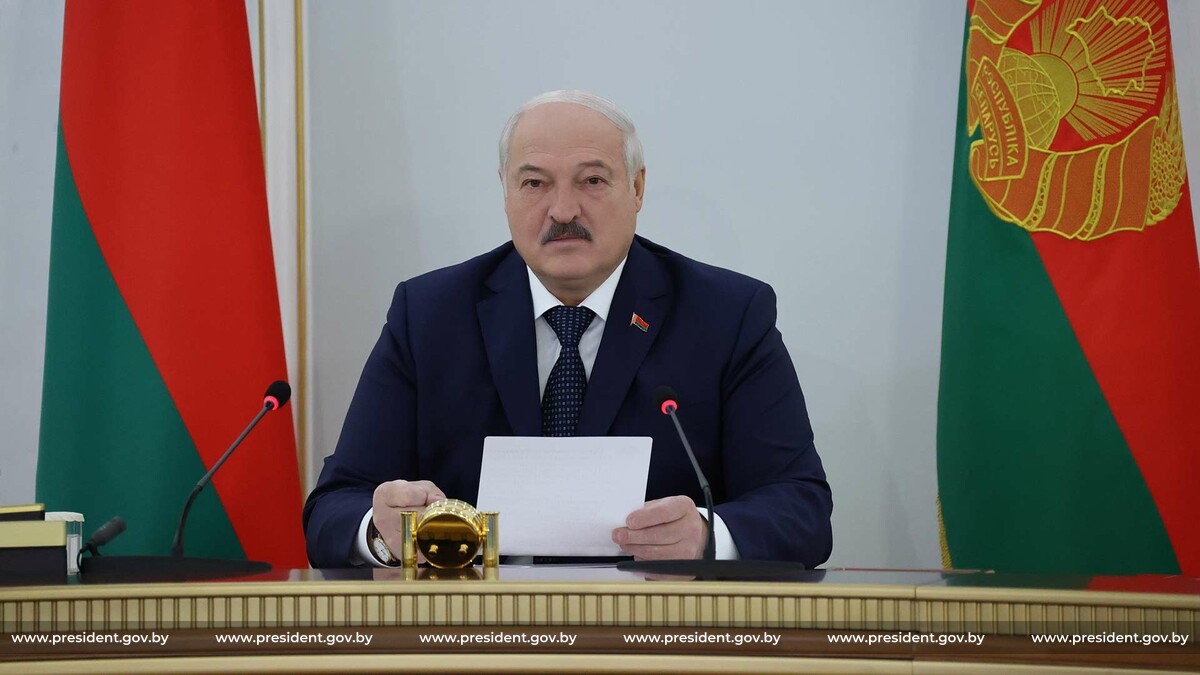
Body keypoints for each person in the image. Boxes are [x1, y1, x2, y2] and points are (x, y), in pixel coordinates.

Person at [303, 90, 832, 568]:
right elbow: (335, 505)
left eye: (592, 180)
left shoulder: (727, 315)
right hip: (477, 628)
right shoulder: (429, 315)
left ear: (637, 188)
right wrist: (382, 533)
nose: (562, 210)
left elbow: (801, 508)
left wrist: (706, 535)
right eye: (534, 183)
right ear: (506, 192)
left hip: (655, 628)